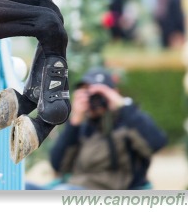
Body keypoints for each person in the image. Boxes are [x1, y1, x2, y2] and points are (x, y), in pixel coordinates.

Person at [27, 67, 167, 190]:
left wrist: (121, 104)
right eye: (87, 93)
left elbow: (156, 143)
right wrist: (75, 121)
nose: (94, 100)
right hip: (72, 188)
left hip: (104, 192)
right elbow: (57, 164)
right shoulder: (82, 126)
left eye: (99, 94)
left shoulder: (128, 120)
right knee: (23, 188)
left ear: (113, 93)